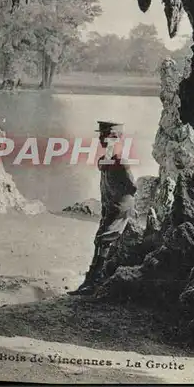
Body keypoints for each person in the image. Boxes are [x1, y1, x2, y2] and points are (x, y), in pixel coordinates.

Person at [68, 121, 137, 296]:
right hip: (110, 206)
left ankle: (94, 282)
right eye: (101, 135)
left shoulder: (120, 160)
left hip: (119, 207)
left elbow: (132, 186)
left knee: (103, 240)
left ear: (115, 138)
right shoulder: (108, 158)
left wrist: (118, 199)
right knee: (102, 241)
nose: (101, 139)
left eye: (106, 136)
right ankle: (93, 281)